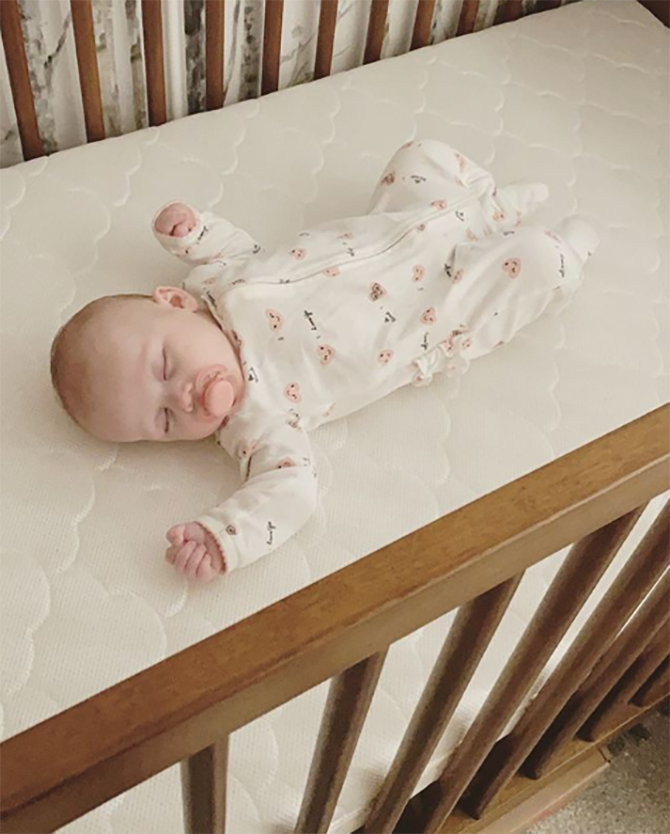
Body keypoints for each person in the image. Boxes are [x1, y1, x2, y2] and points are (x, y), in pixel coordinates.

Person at [49, 140, 598, 583]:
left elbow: (233, 245)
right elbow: (291, 491)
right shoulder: (257, 422)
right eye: (166, 421)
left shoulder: (216, 281)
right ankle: (569, 248)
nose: (184, 397)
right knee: (538, 261)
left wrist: (193, 233)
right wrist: (226, 537)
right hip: (436, 304)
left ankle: (492, 207)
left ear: (175, 301)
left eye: (166, 369)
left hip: (397, 227)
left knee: (420, 156)